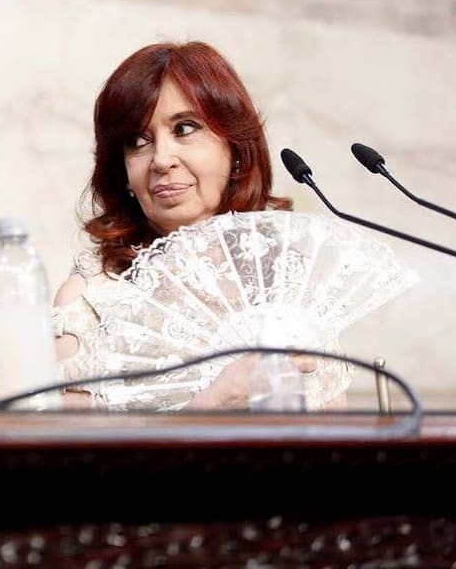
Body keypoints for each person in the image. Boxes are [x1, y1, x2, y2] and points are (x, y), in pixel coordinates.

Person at [52, 40, 336, 410]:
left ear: (234, 150)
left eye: (184, 129)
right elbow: (70, 460)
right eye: (138, 142)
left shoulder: (288, 286)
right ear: (122, 172)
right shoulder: (89, 301)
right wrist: (210, 405)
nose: (162, 159)